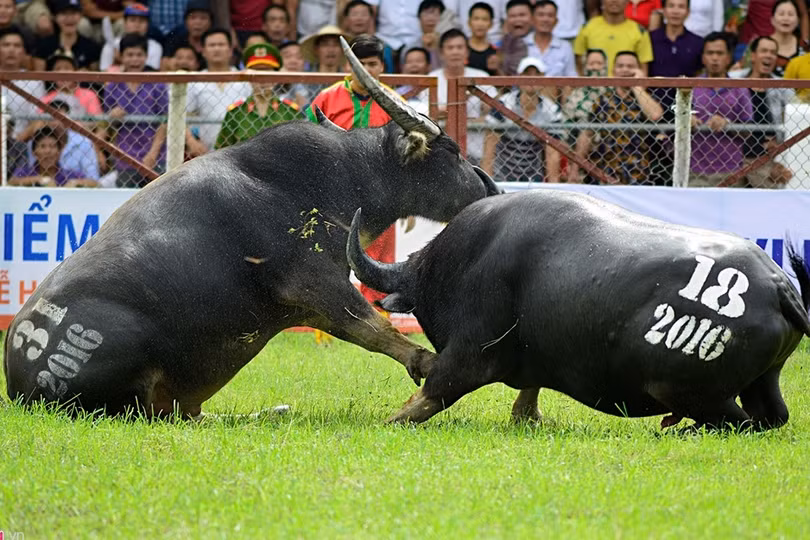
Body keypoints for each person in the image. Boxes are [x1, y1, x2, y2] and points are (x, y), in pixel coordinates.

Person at [305, 34, 399, 309]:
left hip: (382, 196)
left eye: (373, 64)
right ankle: (325, 325)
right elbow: (308, 143)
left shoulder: (395, 102)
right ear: (350, 65)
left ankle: (381, 323)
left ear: (382, 67)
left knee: (380, 262)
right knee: (328, 257)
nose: (368, 70)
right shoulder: (326, 98)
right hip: (333, 193)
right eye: (362, 64)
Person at [572, 51, 664, 184]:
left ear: (639, 70)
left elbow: (655, 114)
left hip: (639, 172)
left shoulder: (646, 98)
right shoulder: (603, 99)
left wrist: (636, 87)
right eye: (620, 66)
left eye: (630, 66)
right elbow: (587, 133)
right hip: (606, 171)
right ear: (614, 70)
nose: (625, 69)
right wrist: (575, 168)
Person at [481, 57, 563, 182]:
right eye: (527, 74)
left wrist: (554, 185)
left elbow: (552, 153)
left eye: (537, 74)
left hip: (533, 176)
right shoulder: (504, 104)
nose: (531, 78)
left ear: (543, 80)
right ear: (518, 77)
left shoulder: (551, 110)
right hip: (502, 173)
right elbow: (490, 145)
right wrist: (487, 181)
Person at [103, 33, 169, 187]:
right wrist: (112, 117)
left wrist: (153, 154)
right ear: (121, 57)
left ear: (146, 57)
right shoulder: (113, 86)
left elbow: (164, 122)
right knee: (126, 201)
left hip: (156, 155)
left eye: (139, 55)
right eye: (130, 55)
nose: (134, 59)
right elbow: (110, 127)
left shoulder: (157, 84)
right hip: (126, 156)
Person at [689, 32, 753, 187]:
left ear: (728, 58)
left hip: (730, 170)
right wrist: (685, 120)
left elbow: (749, 129)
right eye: (710, 53)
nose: (715, 58)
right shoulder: (690, 87)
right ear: (703, 58)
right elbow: (673, 115)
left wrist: (727, 123)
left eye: (720, 53)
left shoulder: (740, 89)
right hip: (695, 170)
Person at [731, 36, 795, 188]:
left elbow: (793, 122)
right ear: (753, 56)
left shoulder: (783, 88)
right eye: (764, 51)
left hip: (766, 157)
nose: (768, 55)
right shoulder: (733, 80)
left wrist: (780, 147)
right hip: (733, 153)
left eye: (773, 52)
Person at [215, 42, 302, 149]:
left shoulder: (289, 111)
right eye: (257, 73)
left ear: (276, 77)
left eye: (267, 72)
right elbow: (221, 151)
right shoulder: (236, 113)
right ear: (249, 79)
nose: (262, 79)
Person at [429, 28, 495, 163]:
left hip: (477, 151)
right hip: (440, 151)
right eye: (450, 47)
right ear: (441, 53)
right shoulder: (432, 78)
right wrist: (457, 103)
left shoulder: (481, 76)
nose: (455, 52)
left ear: (467, 52)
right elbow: (427, 114)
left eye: (459, 47)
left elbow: (494, 110)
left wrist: (484, 106)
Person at [187, 28, 252, 152]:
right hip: (206, 152)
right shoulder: (195, 82)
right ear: (203, 51)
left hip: (241, 150)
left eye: (221, 45)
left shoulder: (245, 80)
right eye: (212, 45)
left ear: (230, 50)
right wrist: (192, 142)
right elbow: (182, 115)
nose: (216, 48)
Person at [649, 0, 704, 113]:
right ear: (664, 10)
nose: (676, 11)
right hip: (654, 103)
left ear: (688, 12)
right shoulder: (650, 39)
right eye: (671, 6)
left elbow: (699, 74)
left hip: (687, 104)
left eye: (681, 7)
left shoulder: (697, 42)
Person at [574, 0, 654, 74]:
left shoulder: (640, 31)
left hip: (626, 87)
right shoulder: (587, 27)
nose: (614, 1)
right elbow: (579, 65)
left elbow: (644, 69)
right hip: (595, 87)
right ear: (602, 1)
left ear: (627, 2)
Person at [735, 0, 809, 78]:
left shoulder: (805, 47)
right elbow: (745, 71)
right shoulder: (758, 43)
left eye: (790, 14)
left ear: (798, 20)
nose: (786, 18)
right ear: (772, 19)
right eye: (781, 14)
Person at [11, 126, 96, 187]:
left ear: (59, 152)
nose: (48, 151)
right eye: (42, 146)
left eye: (52, 146)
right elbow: (12, 182)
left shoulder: (69, 175)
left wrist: (75, 183)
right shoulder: (25, 173)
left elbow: (94, 183)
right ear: (34, 152)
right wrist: (41, 180)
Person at [0, 27, 46, 141]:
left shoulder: (34, 81)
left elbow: (38, 119)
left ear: (23, 52)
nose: (11, 50)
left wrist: (16, 143)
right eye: (6, 45)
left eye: (17, 46)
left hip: (22, 143)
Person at [32, 0, 100, 71]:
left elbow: (94, 79)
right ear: (54, 17)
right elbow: (39, 79)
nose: (69, 18)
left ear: (81, 15)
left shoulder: (91, 48)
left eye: (73, 13)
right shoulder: (44, 46)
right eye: (63, 13)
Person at [100, 3, 163, 71]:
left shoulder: (155, 46)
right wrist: (115, 63)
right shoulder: (110, 46)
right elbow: (104, 73)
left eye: (141, 21)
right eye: (132, 20)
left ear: (148, 25)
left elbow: (151, 74)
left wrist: (122, 61)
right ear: (125, 23)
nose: (137, 25)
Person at [524, 0, 577, 77]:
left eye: (550, 15)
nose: (545, 19)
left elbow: (571, 78)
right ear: (532, 19)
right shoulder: (521, 43)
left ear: (556, 21)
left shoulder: (565, 47)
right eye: (541, 15)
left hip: (558, 89)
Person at [161, 0, 213, 66]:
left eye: (203, 18)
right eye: (193, 17)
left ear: (210, 23)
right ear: (185, 22)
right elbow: (164, 64)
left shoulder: (215, 41)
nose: (198, 22)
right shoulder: (175, 40)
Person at [500, 0, 533, 74]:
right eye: (512, 16)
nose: (517, 19)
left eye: (522, 15)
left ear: (532, 17)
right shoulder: (502, 45)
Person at [466, 2, 498, 74]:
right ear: (469, 22)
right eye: (476, 19)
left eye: (485, 19)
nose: (480, 24)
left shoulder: (495, 52)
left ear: (491, 24)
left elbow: (503, 82)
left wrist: (496, 69)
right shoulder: (461, 48)